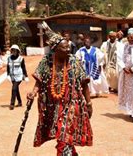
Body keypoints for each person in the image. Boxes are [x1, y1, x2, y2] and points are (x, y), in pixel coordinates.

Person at [28, 22, 93, 156]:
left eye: (68, 47)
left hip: (71, 104)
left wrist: (89, 103)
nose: (68, 50)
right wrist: (33, 92)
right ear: (55, 49)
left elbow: (84, 83)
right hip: (52, 106)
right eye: (64, 48)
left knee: (64, 135)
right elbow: (39, 80)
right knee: (61, 135)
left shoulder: (74, 61)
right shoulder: (46, 61)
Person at [7, 44, 28, 110]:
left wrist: (26, 76)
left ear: (17, 51)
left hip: (19, 76)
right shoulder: (9, 58)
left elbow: (23, 67)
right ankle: (19, 102)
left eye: (15, 51)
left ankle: (12, 104)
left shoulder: (21, 59)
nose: (14, 52)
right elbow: (8, 67)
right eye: (13, 50)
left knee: (14, 89)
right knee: (16, 89)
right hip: (12, 76)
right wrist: (8, 75)